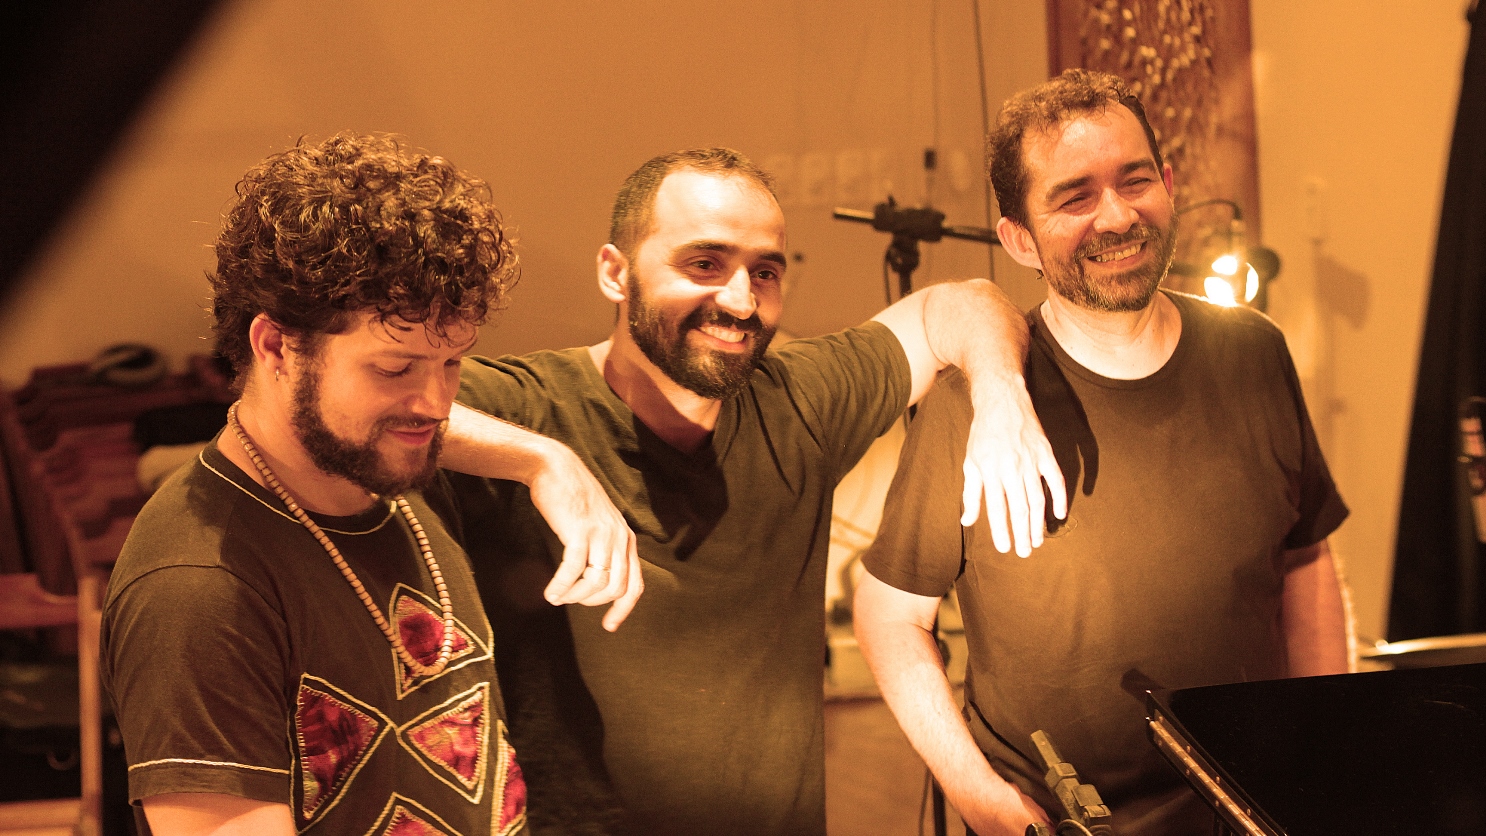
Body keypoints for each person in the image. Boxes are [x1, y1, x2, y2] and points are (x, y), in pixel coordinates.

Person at [443, 147, 1065, 835]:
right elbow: (377, 406)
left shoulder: (799, 401)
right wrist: (540, 461)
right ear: (616, 273)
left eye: (763, 272)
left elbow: (964, 303)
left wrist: (1001, 395)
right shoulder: (526, 409)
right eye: (704, 264)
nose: (741, 301)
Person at [855, 69, 1351, 836]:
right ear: (1019, 238)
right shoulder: (971, 407)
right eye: (1074, 197)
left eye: (1135, 180)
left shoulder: (1254, 352)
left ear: (1169, 186)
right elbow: (890, 617)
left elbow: (1307, 557)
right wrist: (978, 796)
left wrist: (1323, 751)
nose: (1117, 216)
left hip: (1247, 816)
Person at [101, 133, 639, 836]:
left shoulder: (386, 471)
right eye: (394, 368)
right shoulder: (198, 587)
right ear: (276, 346)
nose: (436, 403)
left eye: (452, 363)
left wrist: (545, 460)